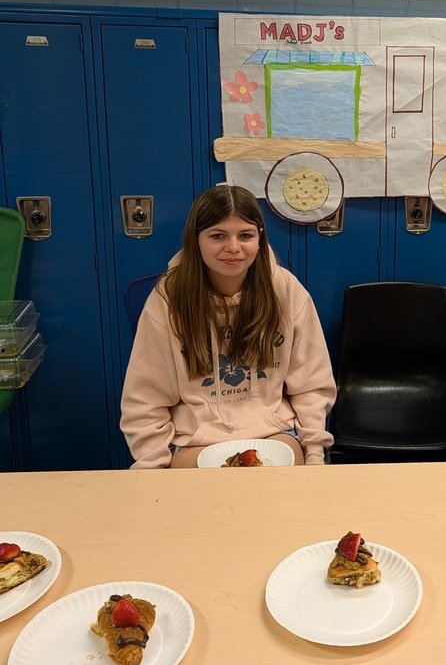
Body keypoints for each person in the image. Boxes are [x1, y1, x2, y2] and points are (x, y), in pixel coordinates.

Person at [120, 185, 336, 468]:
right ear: (196, 239)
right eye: (218, 235)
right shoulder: (169, 299)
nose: (233, 247)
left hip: (273, 431)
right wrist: (153, 468)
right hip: (194, 438)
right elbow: (145, 400)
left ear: (259, 238)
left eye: (245, 235)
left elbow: (311, 384)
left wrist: (315, 454)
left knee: (279, 496)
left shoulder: (285, 290)